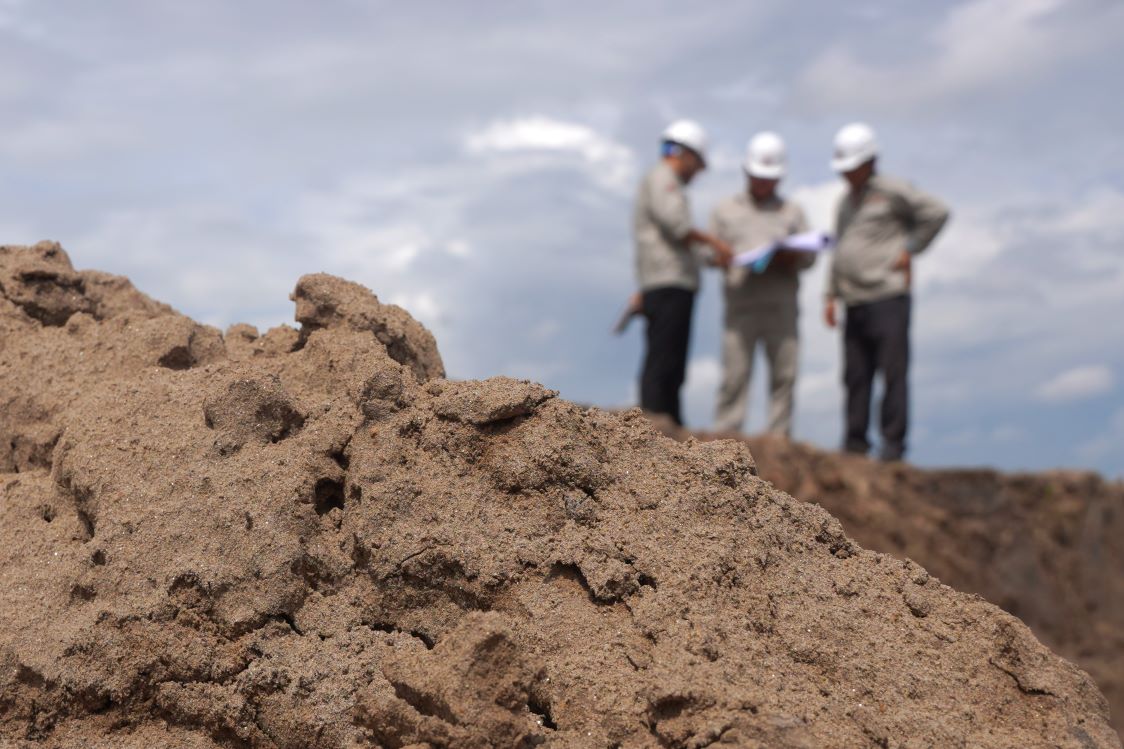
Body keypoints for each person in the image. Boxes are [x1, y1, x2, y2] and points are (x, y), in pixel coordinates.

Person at [823, 123, 950, 461]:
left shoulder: (893, 190)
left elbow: (937, 212)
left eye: (852, 168)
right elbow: (840, 248)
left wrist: (911, 247)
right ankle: (855, 444)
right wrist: (829, 294)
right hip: (853, 299)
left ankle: (893, 448)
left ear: (869, 162)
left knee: (892, 373)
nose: (847, 175)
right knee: (855, 375)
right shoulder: (843, 203)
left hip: (888, 295)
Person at [711, 132, 813, 437]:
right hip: (741, 305)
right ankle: (726, 437)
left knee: (785, 374)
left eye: (770, 178)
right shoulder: (724, 210)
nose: (764, 183)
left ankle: (779, 437)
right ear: (746, 171)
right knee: (734, 375)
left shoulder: (793, 212)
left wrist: (790, 257)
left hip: (780, 305)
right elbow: (707, 255)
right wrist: (721, 256)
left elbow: (809, 259)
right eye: (758, 177)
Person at [633, 120, 733, 426]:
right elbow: (678, 226)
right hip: (668, 282)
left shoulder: (659, 179)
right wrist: (716, 244)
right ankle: (657, 424)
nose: (698, 171)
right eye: (699, 163)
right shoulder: (664, 178)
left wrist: (708, 257)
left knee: (670, 360)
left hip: (667, 280)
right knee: (665, 361)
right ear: (687, 154)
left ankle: (669, 423)